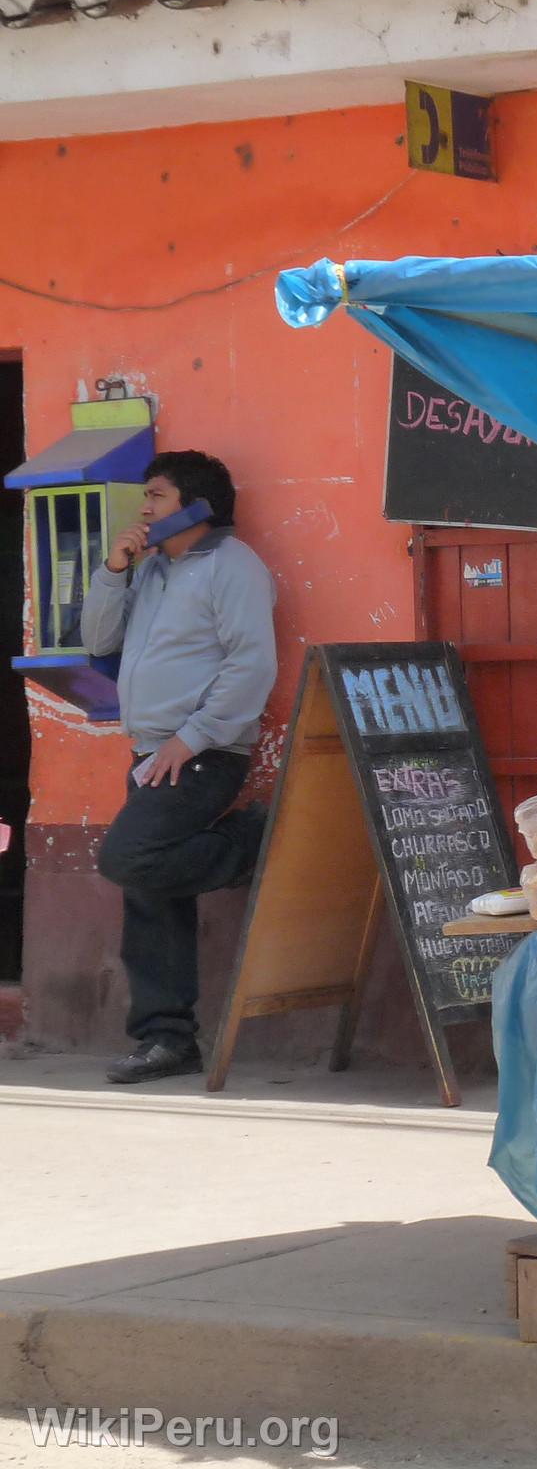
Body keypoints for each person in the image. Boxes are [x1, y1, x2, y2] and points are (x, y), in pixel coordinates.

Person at [81, 452, 277, 1085]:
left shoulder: (232, 566)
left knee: (127, 858)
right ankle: (166, 1039)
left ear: (197, 507)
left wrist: (190, 740)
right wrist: (115, 569)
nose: (144, 508)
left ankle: (250, 842)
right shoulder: (152, 572)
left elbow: (252, 665)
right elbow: (97, 641)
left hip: (202, 753)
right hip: (150, 752)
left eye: (156, 497)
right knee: (151, 893)